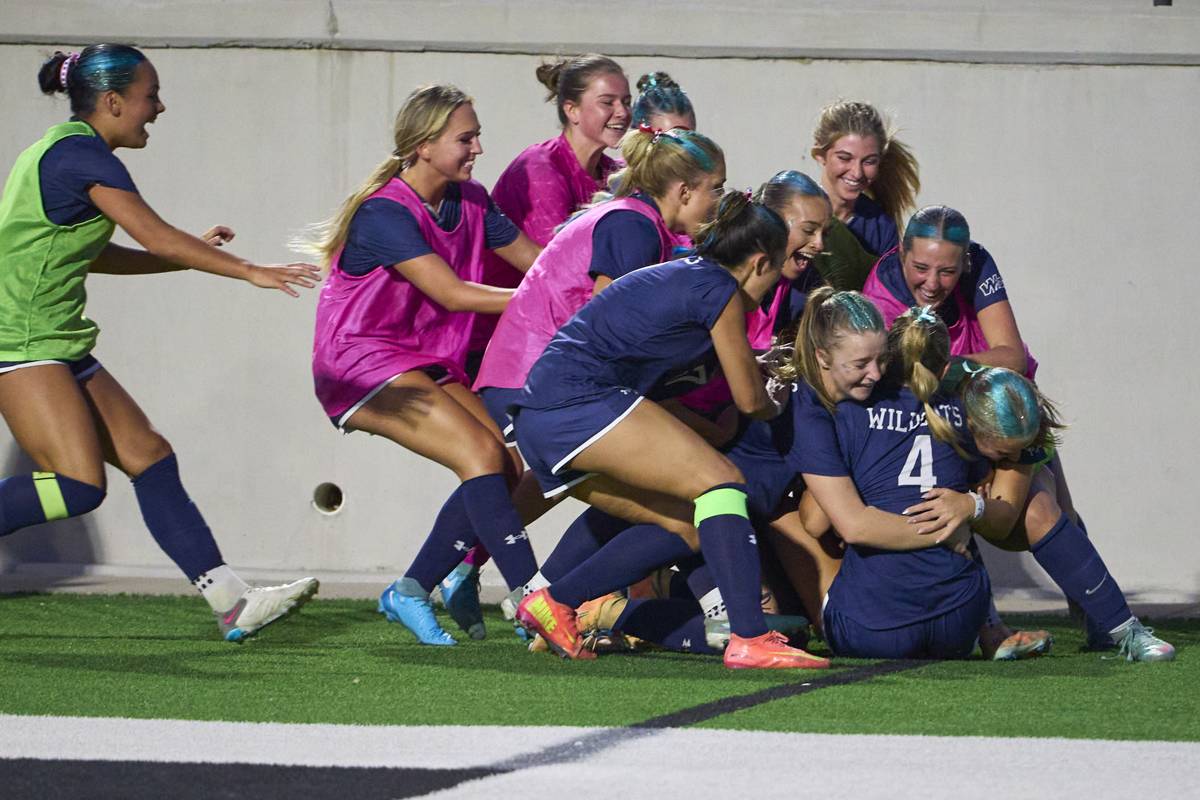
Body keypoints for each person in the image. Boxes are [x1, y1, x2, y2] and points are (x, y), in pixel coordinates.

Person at [0, 45, 321, 641]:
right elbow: (155, 234)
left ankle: (232, 601)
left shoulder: (64, 150)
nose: (160, 108)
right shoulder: (81, 157)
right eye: (151, 96)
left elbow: (97, 253)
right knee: (77, 485)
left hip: (54, 339)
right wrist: (248, 270)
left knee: (148, 455)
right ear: (113, 101)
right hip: (19, 341)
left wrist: (183, 256)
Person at [509, 192, 829, 669]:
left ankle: (555, 602)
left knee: (687, 525)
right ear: (760, 262)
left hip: (547, 413)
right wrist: (779, 394)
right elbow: (750, 402)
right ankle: (749, 636)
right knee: (723, 481)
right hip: (575, 403)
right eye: (777, 266)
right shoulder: (719, 290)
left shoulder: (689, 274)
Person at [305, 84, 540, 646]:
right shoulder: (384, 212)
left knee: (508, 467)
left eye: (477, 136)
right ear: (423, 145)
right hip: (358, 363)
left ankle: (411, 588)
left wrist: (597, 271)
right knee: (480, 455)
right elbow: (453, 293)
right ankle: (534, 596)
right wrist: (547, 299)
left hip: (423, 360)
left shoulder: (472, 200)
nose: (478, 148)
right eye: (466, 138)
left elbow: (538, 264)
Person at [902, 367, 1176, 662]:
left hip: (1016, 473)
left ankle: (1123, 628)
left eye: (1017, 451)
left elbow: (1002, 524)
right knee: (945, 510)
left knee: (1043, 513)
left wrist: (974, 505)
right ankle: (992, 628)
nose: (1013, 458)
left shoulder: (1023, 428)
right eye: (1004, 453)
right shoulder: (941, 398)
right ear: (971, 425)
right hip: (961, 443)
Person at [470, 55, 630, 360]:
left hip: (568, 330)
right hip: (503, 341)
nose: (622, 112)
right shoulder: (541, 167)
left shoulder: (615, 173)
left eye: (626, 101)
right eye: (607, 102)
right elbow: (558, 270)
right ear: (572, 110)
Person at [808, 100, 920, 291]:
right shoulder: (794, 208)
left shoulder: (881, 227)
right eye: (844, 158)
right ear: (820, 155)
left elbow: (887, 296)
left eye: (869, 161)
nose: (857, 173)